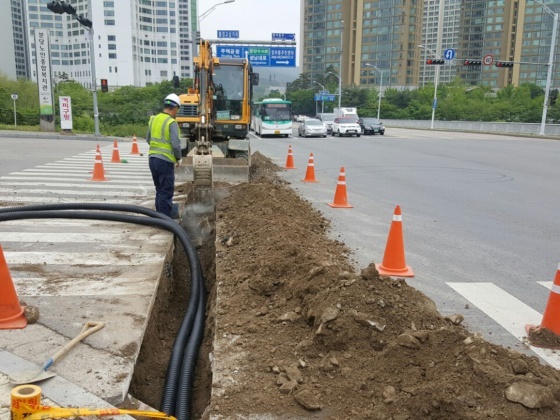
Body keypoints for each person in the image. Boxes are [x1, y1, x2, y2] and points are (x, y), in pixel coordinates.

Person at [146, 93, 182, 218]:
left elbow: (148, 139)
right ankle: (165, 219)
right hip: (165, 161)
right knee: (166, 190)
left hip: (152, 159)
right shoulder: (171, 122)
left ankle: (159, 217)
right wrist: (178, 158)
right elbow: (176, 145)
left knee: (159, 189)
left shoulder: (153, 119)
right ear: (175, 108)